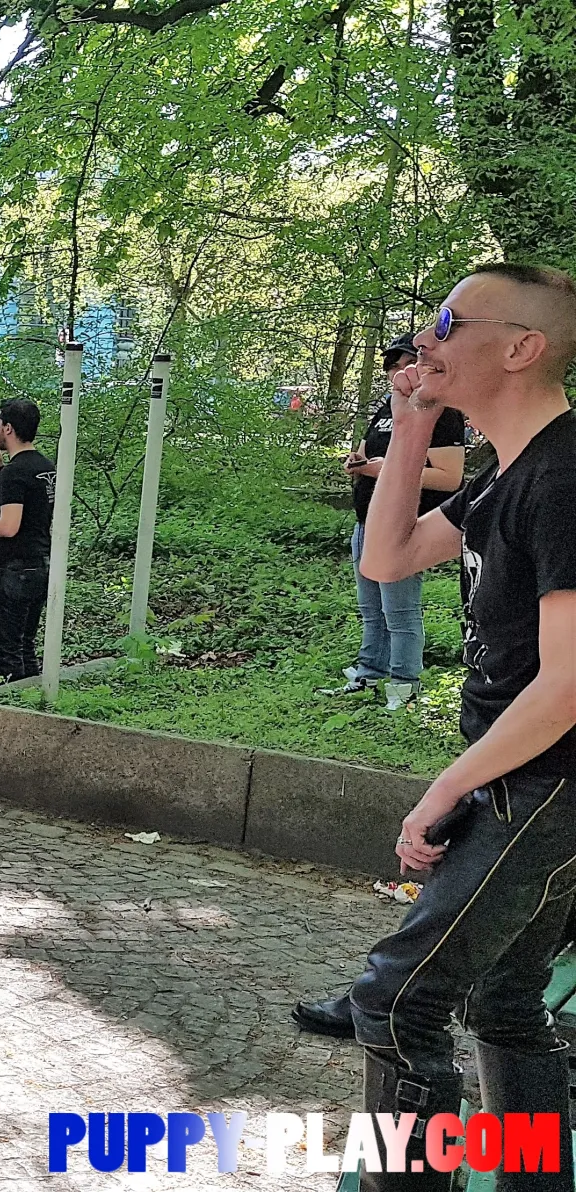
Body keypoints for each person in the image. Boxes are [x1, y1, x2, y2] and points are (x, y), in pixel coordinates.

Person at [343, 264, 576, 1186]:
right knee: (507, 1002)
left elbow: (566, 688)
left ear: (522, 348)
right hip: (525, 776)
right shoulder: (511, 471)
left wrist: (446, 788)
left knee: (395, 1000)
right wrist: (411, 424)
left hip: (548, 781)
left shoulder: (565, 476)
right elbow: (390, 555)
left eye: (448, 321)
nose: (424, 337)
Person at [317, 333, 468, 710]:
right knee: (371, 608)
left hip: (405, 524)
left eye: (408, 363)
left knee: (399, 610)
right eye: (392, 365)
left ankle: (404, 685)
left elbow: (450, 477)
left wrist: (387, 469)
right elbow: (366, 452)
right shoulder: (387, 407)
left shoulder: (443, 410)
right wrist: (357, 462)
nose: (399, 371)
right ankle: (369, 673)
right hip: (367, 521)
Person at [0, 397, 55, 681]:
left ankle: (10, 701)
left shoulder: (17, 472)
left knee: (6, 649)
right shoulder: (44, 466)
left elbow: (8, 526)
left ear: (8, 428)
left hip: (15, 572)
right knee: (25, 644)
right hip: (39, 565)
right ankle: (33, 698)